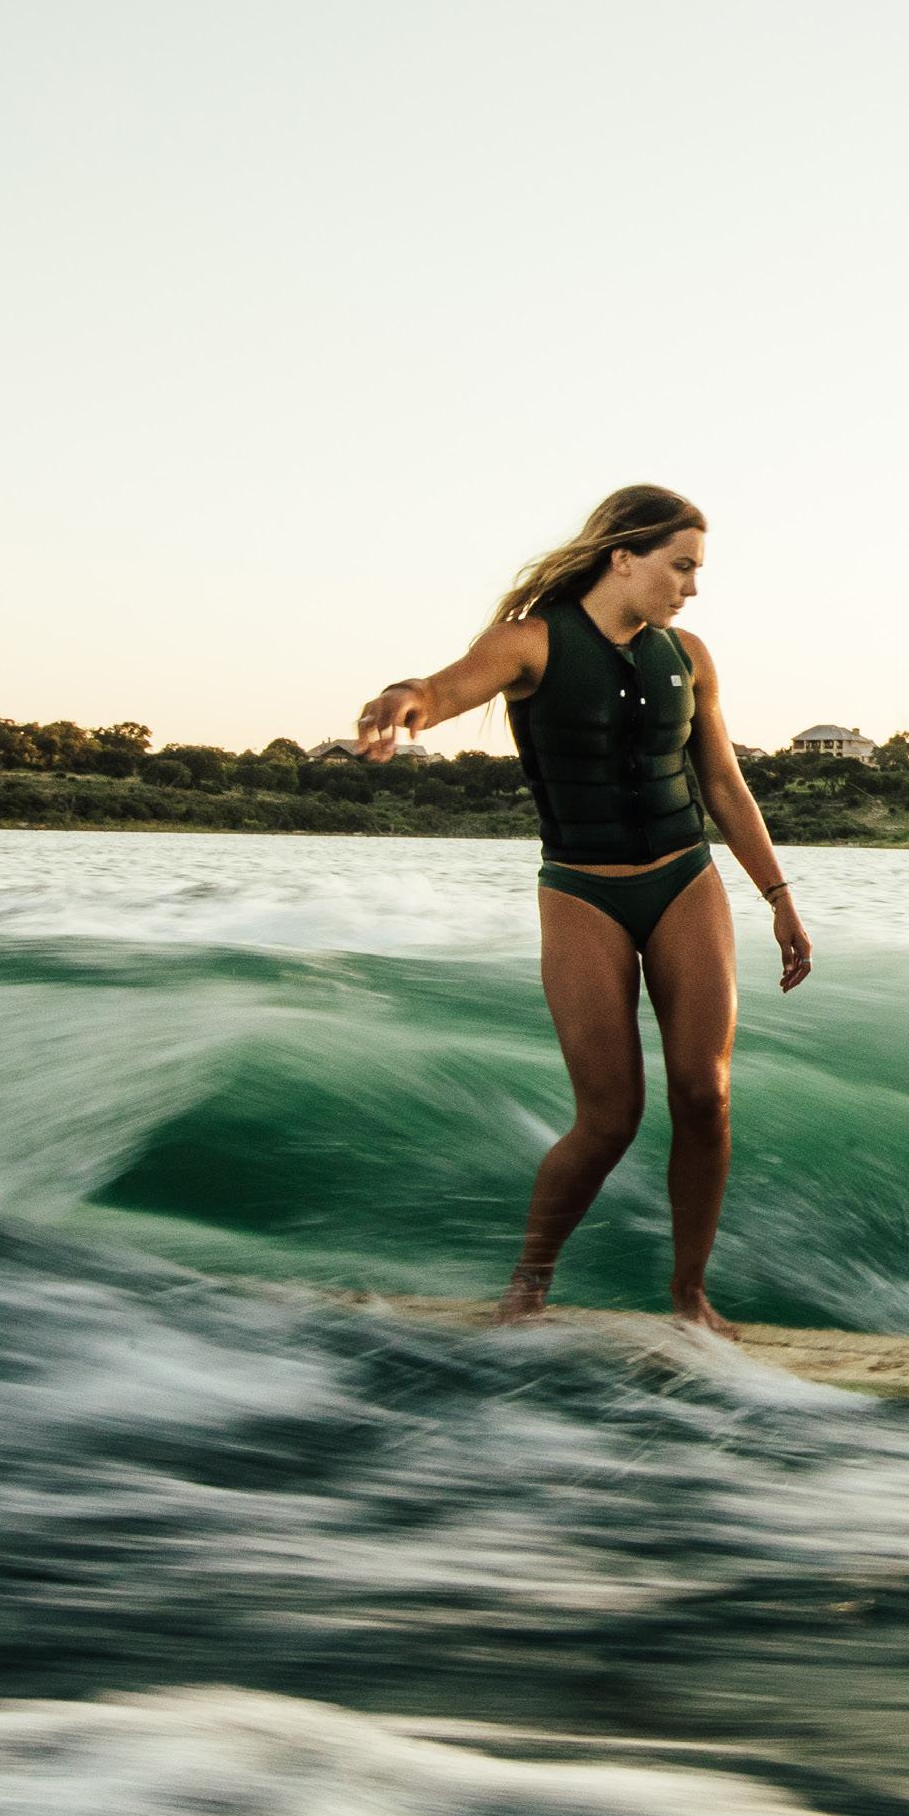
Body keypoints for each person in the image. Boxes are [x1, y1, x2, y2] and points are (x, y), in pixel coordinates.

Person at [354, 485, 811, 1337]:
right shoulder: (529, 642)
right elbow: (442, 690)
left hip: (683, 878)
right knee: (609, 1116)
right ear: (623, 557)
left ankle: (689, 1298)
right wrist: (402, 699)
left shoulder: (689, 656)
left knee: (704, 1094)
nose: (692, 587)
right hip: (581, 890)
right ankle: (528, 1285)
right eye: (680, 566)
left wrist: (778, 896)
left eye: (697, 571)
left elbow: (720, 782)